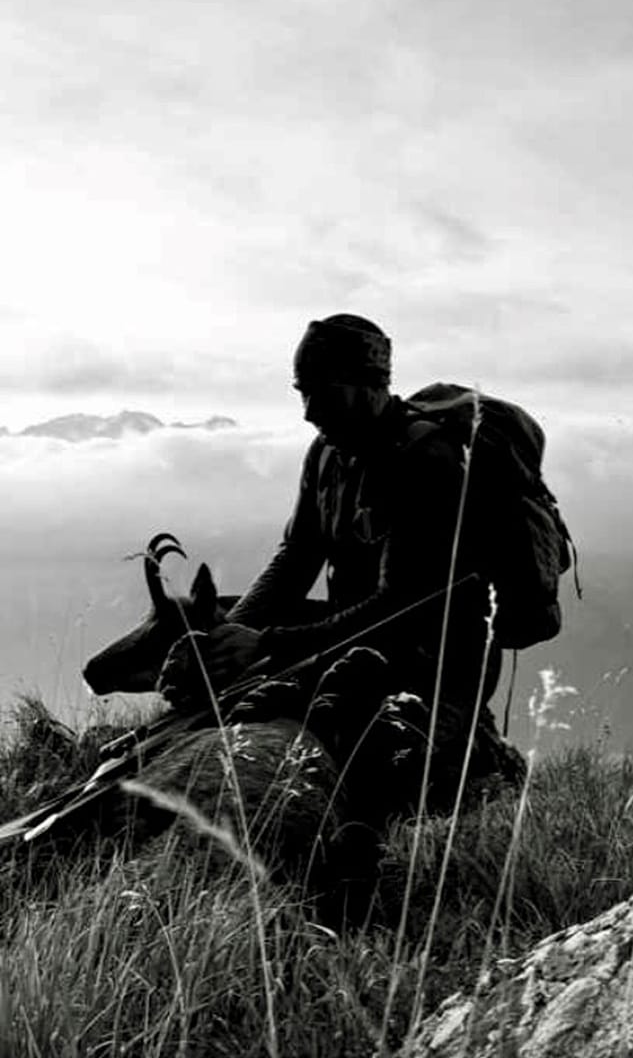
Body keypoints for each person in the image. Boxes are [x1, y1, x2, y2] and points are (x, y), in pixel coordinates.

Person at [158, 313, 522, 829]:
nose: (308, 412)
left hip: (431, 656)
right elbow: (295, 556)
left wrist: (266, 646)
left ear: (372, 385)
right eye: (301, 391)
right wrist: (222, 636)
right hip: (351, 634)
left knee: (376, 768)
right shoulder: (327, 452)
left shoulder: (425, 461)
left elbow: (400, 607)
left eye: (323, 392)